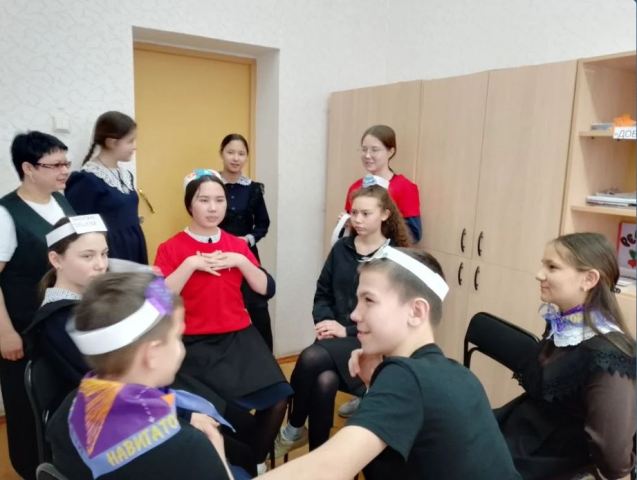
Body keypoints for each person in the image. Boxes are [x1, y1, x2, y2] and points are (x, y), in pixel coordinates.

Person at [262, 247, 521, 479]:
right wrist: (372, 385)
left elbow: (326, 469)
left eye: (369, 300)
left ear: (416, 312)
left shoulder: (408, 377)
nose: (354, 314)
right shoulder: (456, 373)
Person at [154, 169, 291, 471]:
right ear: (190, 204)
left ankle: (252, 463)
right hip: (192, 345)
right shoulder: (171, 248)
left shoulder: (236, 245)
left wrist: (240, 260)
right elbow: (158, 299)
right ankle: (238, 464)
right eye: (204, 200)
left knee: (278, 399)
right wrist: (190, 264)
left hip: (239, 339)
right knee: (215, 412)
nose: (213, 207)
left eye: (219, 200)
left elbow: (266, 288)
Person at [46, 272, 238, 479]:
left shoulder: (68, 409)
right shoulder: (190, 448)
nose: (181, 348)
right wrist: (217, 451)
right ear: (152, 353)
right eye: (177, 337)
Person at [275, 178, 412, 456]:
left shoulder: (394, 259)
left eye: (365, 213)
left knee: (311, 358)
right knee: (324, 382)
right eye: (354, 212)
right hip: (332, 339)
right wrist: (325, 324)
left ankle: (294, 427)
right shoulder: (342, 249)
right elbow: (322, 293)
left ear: (385, 214)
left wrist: (345, 330)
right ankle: (319, 457)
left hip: (370, 343)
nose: (357, 219)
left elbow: (390, 316)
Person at [496, 232, 636, 480]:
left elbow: (613, 459)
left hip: (549, 463)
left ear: (589, 279)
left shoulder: (609, 357)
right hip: (524, 436)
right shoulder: (565, 327)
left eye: (552, 267)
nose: (539, 274)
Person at [0, 131, 75, 479]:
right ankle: (31, 470)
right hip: (23, 328)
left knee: (62, 400)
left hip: (60, 323)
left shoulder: (61, 201)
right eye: (55, 165)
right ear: (28, 168)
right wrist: (5, 333)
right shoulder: (7, 214)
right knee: (27, 406)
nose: (64, 170)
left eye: (66, 162)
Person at [24, 215, 109, 394]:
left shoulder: (91, 301)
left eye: (104, 254)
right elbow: (103, 380)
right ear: (56, 260)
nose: (101, 265)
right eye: (88, 256)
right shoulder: (59, 319)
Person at [65, 111, 148, 264]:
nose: (135, 147)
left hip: (133, 245)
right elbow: (77, 228)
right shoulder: (87, 179)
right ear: (111, 142)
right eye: (130, 141)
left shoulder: (126, 175)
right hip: (110, 251)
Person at [218, 133, 273, 351]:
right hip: (216, 255)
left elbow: (263, 223)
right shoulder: (210, 184)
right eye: (230, 152)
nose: (235, 158)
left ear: (247, 157)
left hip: (246, 254)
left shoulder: (253, 189)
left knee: (256, 304)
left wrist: (248, 240)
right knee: (221, 304)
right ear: (221, 153)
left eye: (241, 153)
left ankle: (265, 358)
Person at [343, 125, 421, 242]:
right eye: (364, 149)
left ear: (390, 152)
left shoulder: (405, 187)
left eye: (374, 150)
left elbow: (414, 235)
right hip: (358, 250)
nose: (367, 155)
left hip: (388, 251)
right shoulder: (356, 187)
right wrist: (347, 223)